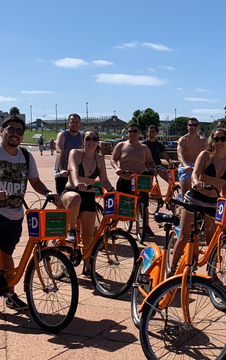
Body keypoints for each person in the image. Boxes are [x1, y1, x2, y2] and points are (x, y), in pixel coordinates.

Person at [0, 116, 58, 327]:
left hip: (14, 214)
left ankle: (10, 294)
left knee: (7, 255)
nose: (16, 133)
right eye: (12, 129)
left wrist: (47, 193)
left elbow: (34, 181)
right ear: (2, 130)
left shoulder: (25, 155)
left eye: (20, 130)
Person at [169, 127, 226, 273]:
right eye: (216, 139)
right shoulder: (205, 155)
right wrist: (197, 182)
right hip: (195, 199)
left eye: (222, 139)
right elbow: (195, 174)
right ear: (212, 141)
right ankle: (172, 269)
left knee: (212, 240)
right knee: (185, 235)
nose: (219, 142)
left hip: (212, 203)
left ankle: (213, 273)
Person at [61, 130, 114, 275]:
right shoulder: (75, 153)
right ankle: (71, 231)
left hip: (89, 196)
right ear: (83, 140)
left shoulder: (100, 159)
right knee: (75, 199)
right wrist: (78, 183)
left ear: (98, 141)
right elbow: (73, 170)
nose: (91, 141)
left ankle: (88, 267)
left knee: (88, 237)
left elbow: (104, 179)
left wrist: (111, 190)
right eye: (88, 138)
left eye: (94, 139)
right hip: (72, 192)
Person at [110, 124, 156, 237]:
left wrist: (153, 168)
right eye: (130, 131)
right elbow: (113, 159)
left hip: (140, 180)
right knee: (119, 204)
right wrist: (117, 168)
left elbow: (150, 162)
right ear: (127, 133)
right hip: (125, 179)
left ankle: (146, 226)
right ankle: (112, 227)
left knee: (144, 204)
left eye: (135, 131)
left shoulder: (144, 148)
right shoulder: (121, 145)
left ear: (139, 133)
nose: (132, 133)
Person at [176, 118, 207, 196]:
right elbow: (180, 155)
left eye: (195, 125)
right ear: (187, 127)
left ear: (198, 127)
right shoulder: (183, 140)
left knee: (202, 190)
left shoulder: (202, 140)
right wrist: (185, 165)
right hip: (186, 166)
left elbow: (209, 154)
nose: (193, 127)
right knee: (185, 192)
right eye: (191, 125)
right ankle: (183, 205)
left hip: (198, 166)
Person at [55, 114, 83, 193]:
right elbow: (59, 151)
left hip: (77, 172)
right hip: (64, 172)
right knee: (62, 200)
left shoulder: (82, 136)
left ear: (80, 124)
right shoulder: (63, 135)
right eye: (72, 122)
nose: (75, 124)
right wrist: (62, 169)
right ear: (68, 123)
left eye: (77, 122)